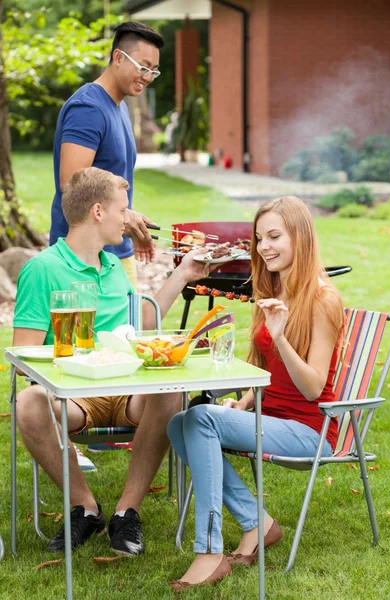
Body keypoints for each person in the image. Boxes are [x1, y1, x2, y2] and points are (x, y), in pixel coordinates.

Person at [13, 167, 211, 556]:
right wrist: (76, 361)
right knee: (27, 403)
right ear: (99, 211)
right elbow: (22, 354)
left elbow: (140, 329)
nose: (129, 218)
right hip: (73, 395)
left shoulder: (114, 270)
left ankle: (126, 511)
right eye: (124, 209)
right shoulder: (43, 269)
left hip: (125, 389)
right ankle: (86, 509)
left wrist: (184, 274)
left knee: (170, 390)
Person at [167, 196, 345, 590]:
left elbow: (313, 386)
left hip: (310, 430)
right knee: (179, 423)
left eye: (275, 236)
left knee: (198, 418)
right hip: (268, 416)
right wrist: (245, 400)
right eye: (259, 237)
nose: (264, 247)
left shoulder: (322, 299)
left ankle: (210, 551)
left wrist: (281, 337)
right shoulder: (274, 287)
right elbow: (264, 368)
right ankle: (257, 524)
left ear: (300, 236)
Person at [50, 21, 164, 287]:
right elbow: (71, 183)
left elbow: (113, 181)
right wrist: (128, 216)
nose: (147, 77)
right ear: (117, 58)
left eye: (154, 71)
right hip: (82, 261)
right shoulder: (87, 108)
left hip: (114, 253)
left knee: (127, 329)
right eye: (143, 67)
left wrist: (131, 220)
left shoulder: (120, 107)